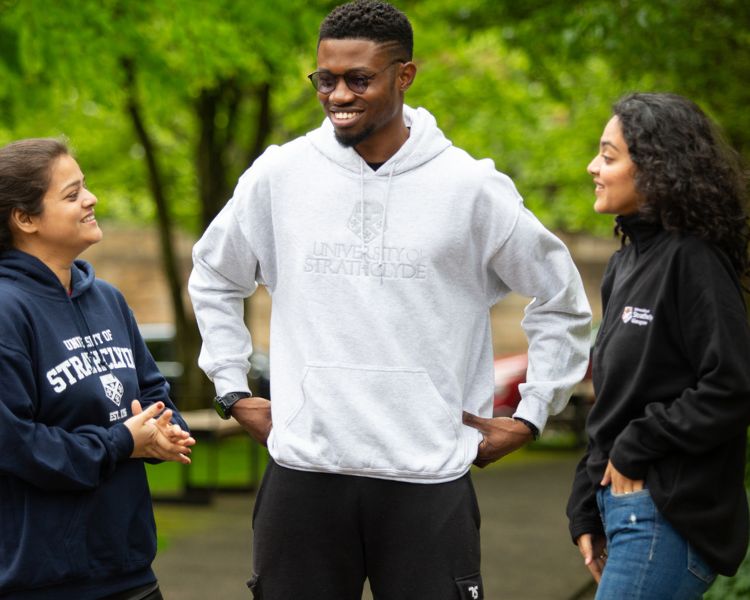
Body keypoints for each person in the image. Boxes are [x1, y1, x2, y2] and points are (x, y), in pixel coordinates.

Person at [189, 1, 591, 598]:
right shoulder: (280, 176)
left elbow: (561, 298)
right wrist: (230, 387)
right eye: (325, 79)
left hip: (427, 477)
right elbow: (214, 276)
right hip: (305, 475)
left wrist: (532, 413)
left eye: (359, 79)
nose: (338, 95)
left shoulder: (469, 187)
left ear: (404, 75)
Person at [567, 92, 750, 599]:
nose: (592, 167)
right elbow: (617, 398)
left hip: (667, 513)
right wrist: (584, 503)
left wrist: (636, 445)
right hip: (621, 513)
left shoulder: (693, 260)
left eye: (608, 155)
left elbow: (732, 386)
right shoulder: (625, 265)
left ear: (656, 168)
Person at [0, 138, 196, 600]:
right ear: (25, 219)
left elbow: (152, 392)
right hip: (44, 581)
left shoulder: (106, 298)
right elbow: (16, 444)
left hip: (130, 569)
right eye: (71, 195)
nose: (91, 200)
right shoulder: (7, 310)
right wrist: (121, 442)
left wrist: (164, 431)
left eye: (84, 186)